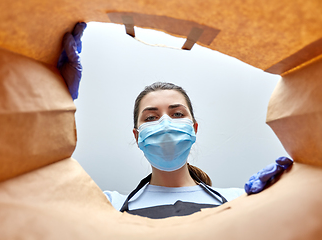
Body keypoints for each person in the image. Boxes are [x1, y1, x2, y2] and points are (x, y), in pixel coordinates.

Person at [57, 22, 293, 219]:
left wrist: (280, 196)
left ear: (194, 128)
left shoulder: (238, 201)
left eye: (177, 114)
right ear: (137, 136)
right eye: (151, 117)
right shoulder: (108, 206)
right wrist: (54, 94)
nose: (166, 123)